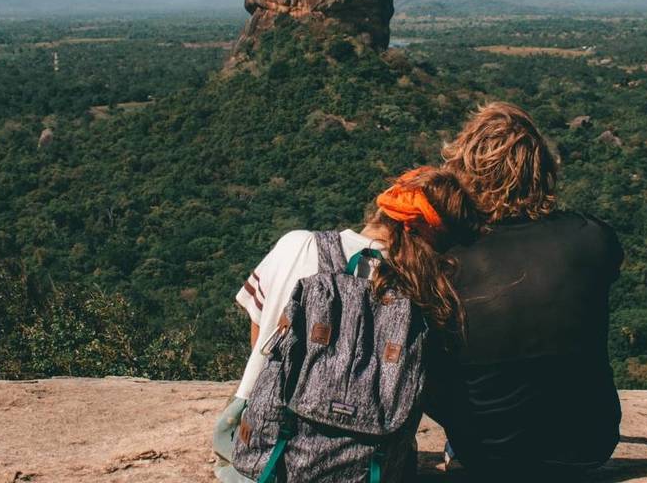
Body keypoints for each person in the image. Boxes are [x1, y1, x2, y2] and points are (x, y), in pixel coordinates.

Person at [213, 166, 479, 482]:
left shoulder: (299, 245)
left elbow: (260, 337)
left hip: (267, 459)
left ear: (384, 208)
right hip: (369, 466)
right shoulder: (427, 294)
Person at [425, 102, 624, 481]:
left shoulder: (449, 259)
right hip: (589, 444)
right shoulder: (594, 238)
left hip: (486, 451)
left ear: (464, 172)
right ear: (544, 169)